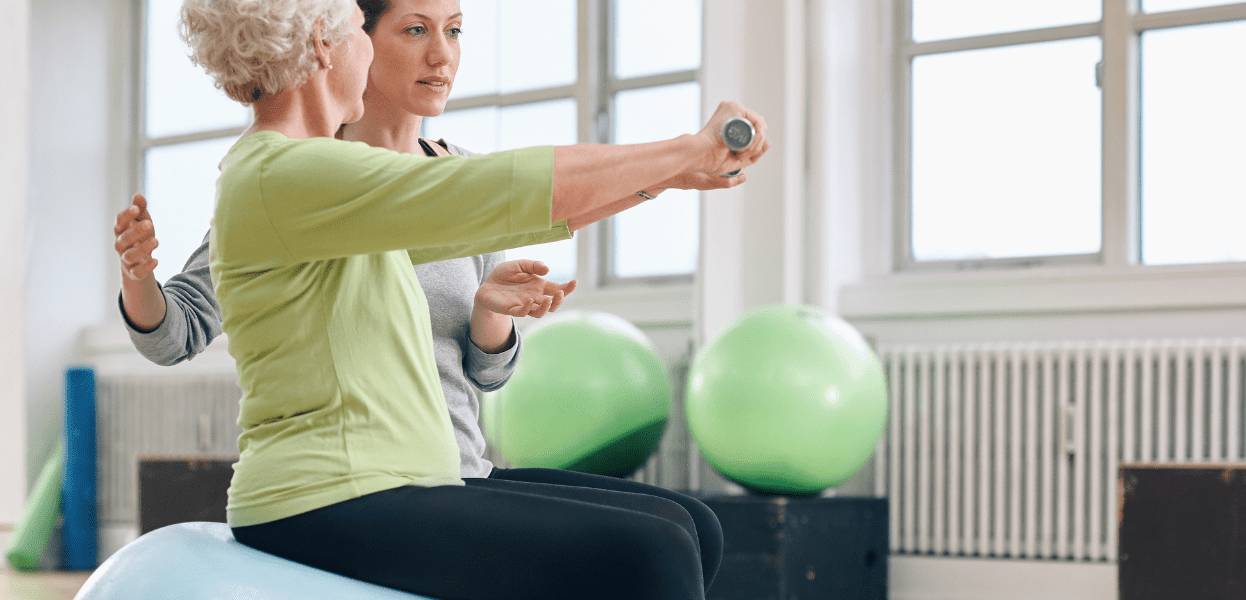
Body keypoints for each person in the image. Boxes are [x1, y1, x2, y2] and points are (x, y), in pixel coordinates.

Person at [133, 0, 767, 597]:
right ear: (324, 47)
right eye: (362, 27)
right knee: (652, 550)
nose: (370, 47)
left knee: (692, 525)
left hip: (398, 478)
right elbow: (490, 192)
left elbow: (484, 217)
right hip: (327, 493)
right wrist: (686, 149)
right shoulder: (287, 174)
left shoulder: (308, 172)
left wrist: (670, 176)